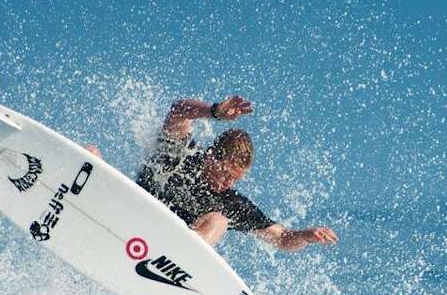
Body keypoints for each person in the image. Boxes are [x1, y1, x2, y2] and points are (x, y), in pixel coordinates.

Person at [133, 95, 338, 250]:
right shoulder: (182, 153)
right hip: (131, 212)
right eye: (226, 174)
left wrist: (305, 235)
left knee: (219, 221)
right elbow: (179, 110)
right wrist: (215, 111)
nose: (227, 184)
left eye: (234, 179)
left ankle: (183, 260)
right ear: (211, 156)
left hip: (162, 248)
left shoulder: (230, 204)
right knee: (97, 154)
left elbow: (281, 238)